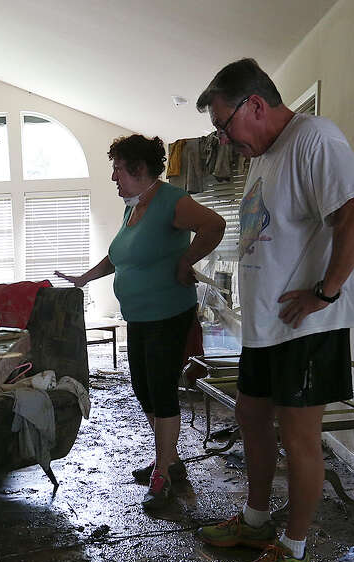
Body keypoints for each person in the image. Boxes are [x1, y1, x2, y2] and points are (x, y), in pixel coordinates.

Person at [194, 58, 354, 562]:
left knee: (299, 437)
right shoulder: (266, 156)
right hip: (267, 327)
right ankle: (255, 522)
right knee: (252, 416)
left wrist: (327, 290)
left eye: (224, 126)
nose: (225, 140)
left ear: (254, 105)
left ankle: (294, 548)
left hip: (306, 328)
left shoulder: (313, 138)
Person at [58, 134, 225, 509]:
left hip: (169, 313)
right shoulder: (132, 208)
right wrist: (84, 278)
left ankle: (163, 474)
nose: (114, 177)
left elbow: (214, 226)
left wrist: (186, 262)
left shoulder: (171, 202)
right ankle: (170, 459)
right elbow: (120, 256)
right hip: (139, 316)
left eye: (118, 169)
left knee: (162, 392)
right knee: (143, 390)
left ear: (138, 168)